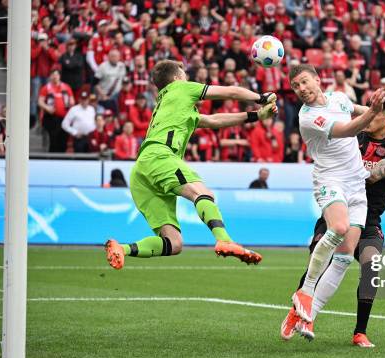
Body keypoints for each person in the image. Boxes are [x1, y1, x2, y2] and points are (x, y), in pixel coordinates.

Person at [104, 60, 278, 270]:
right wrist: (261, 97)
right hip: (161, 156)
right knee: (202, 194)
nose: (187, 78)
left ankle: (121, 249)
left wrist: (257, 115)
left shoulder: (169, 104)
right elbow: (231, 92)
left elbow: (214, 120)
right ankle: (224, 239)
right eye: (184, 74)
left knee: (174, 242)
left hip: (141, 171)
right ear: (177, 78)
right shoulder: (181, 88)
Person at [283, 97, 385, 347]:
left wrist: (352, 168)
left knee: (372, 269)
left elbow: (375, 175)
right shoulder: (354, 137)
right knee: (317, 262)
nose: (370, 117)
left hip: (369, 219)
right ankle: (300, 310)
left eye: (377, 113)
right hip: (338, 207)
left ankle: (360, 332)